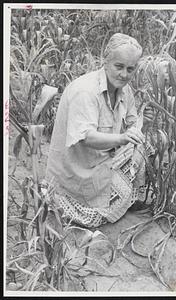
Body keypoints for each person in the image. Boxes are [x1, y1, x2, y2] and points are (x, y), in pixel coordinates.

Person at [43, 33, 155, 228]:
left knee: (143, 148)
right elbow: (85, 137)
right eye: (119, 67)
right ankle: (89, 203)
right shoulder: (85, 91)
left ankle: (116, 197)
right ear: (105, 60)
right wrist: (122, 138)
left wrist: (143, 121)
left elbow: (131, 124)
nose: (124, 74)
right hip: (77, 169)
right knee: (93, 217)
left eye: (130, 69)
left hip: (103, 159)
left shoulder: (124, 89)